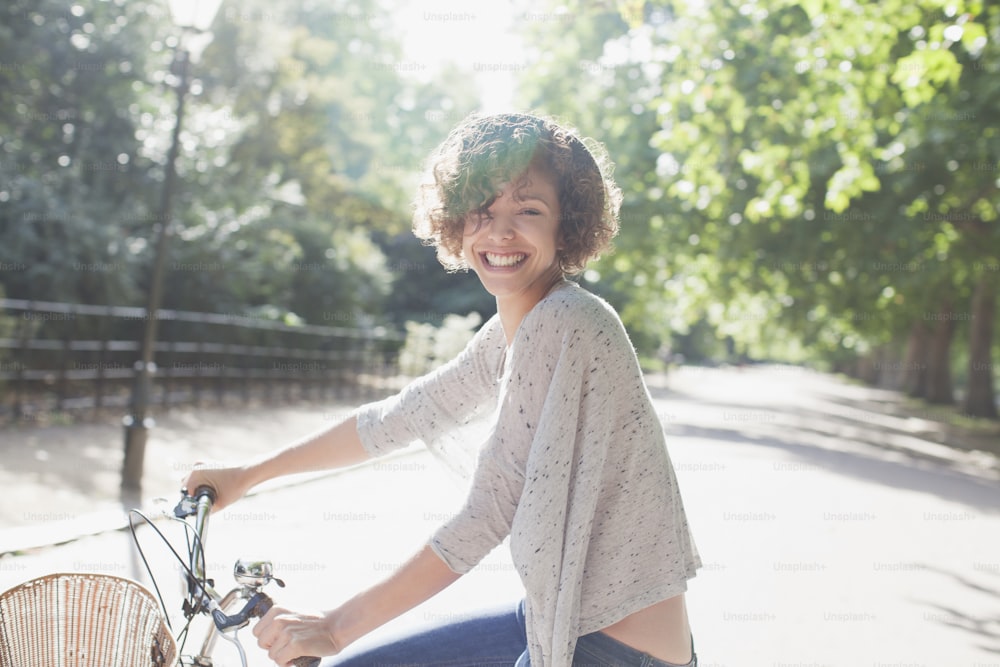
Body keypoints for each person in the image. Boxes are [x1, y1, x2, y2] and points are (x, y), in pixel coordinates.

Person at [184, 112, 701, 667]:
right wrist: (248, 476)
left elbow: (488, 510)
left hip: (611, 651)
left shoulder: (566, 322)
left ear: (567, 226)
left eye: (529, 210)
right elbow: (400, 417)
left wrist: (335, 627)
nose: (500, 232)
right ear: (455, 222)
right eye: (482, 210)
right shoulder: (515, 329)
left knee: (344, 654)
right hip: (559, 618)